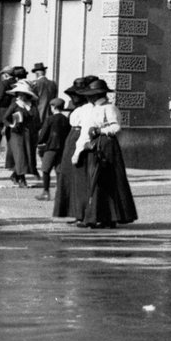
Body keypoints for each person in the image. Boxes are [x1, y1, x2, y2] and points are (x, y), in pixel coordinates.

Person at [57, 75, 136, 228]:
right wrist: (79, 150)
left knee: (105, 181)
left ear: (97, 95)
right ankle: (96, 216)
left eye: (91, 95)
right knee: (94, 181)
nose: (89, 98)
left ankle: (107, 217)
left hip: (106, 145)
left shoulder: (109, 108)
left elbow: (116, 127)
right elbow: (85, 131)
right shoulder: (92, 109)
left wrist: (101, 130)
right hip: (92, 145)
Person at [0, 82, 39, 187]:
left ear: (27, 94)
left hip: (28, 134)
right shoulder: (15, 105)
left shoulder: (32, 106)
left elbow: (37, 120)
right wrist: (11, 125)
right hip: (16, 134)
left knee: (27, 156)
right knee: (20, 156)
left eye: (23, 94)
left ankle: (15, 175)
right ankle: (22, 179)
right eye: (19, 94)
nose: (21, 96)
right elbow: (5, 118)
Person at [35, 97, 70, 201]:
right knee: (59, 170)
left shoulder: (50, 119)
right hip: (63, 148)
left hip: (51, 147)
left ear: (53, 107)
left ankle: (46, 192)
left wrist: (39, 142)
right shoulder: (66, 119)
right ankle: (60, 193)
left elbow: (43, 134)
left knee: (46, 169)